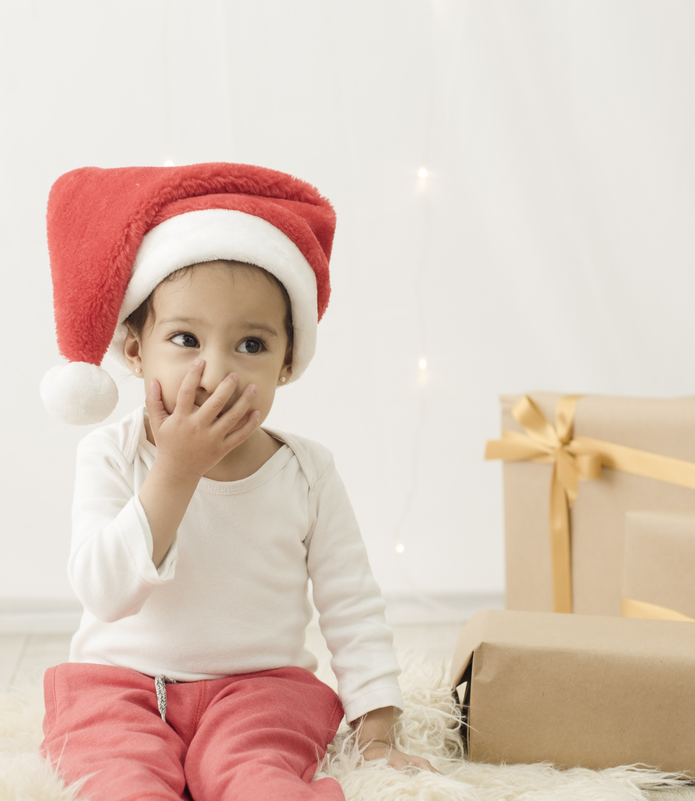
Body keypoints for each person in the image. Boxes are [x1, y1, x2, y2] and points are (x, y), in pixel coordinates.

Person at [38, 162, 437, 801]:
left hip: (259, 690)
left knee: (256, 778)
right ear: (136, 352)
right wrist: (175, 470)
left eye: (250, 345)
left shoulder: (307, 471)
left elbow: (351, 604)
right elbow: (104, 592)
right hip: (119, 686)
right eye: (185, 339)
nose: (216, 370)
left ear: (287, 363)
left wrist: (378, 729)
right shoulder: (111, 454)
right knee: (117, 779)